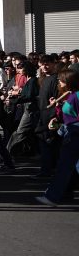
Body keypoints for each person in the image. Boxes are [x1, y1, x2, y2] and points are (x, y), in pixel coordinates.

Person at [37, 70, 79, 206]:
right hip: (71, 133)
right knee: (69, 167)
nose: (59, 83)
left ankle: (53, 196)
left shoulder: (76, 96)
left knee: (64, 167)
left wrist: (61, 125)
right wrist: (58, 110)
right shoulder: (71, 95)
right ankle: (61, 194)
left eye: (61, 81)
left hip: (74, 135)